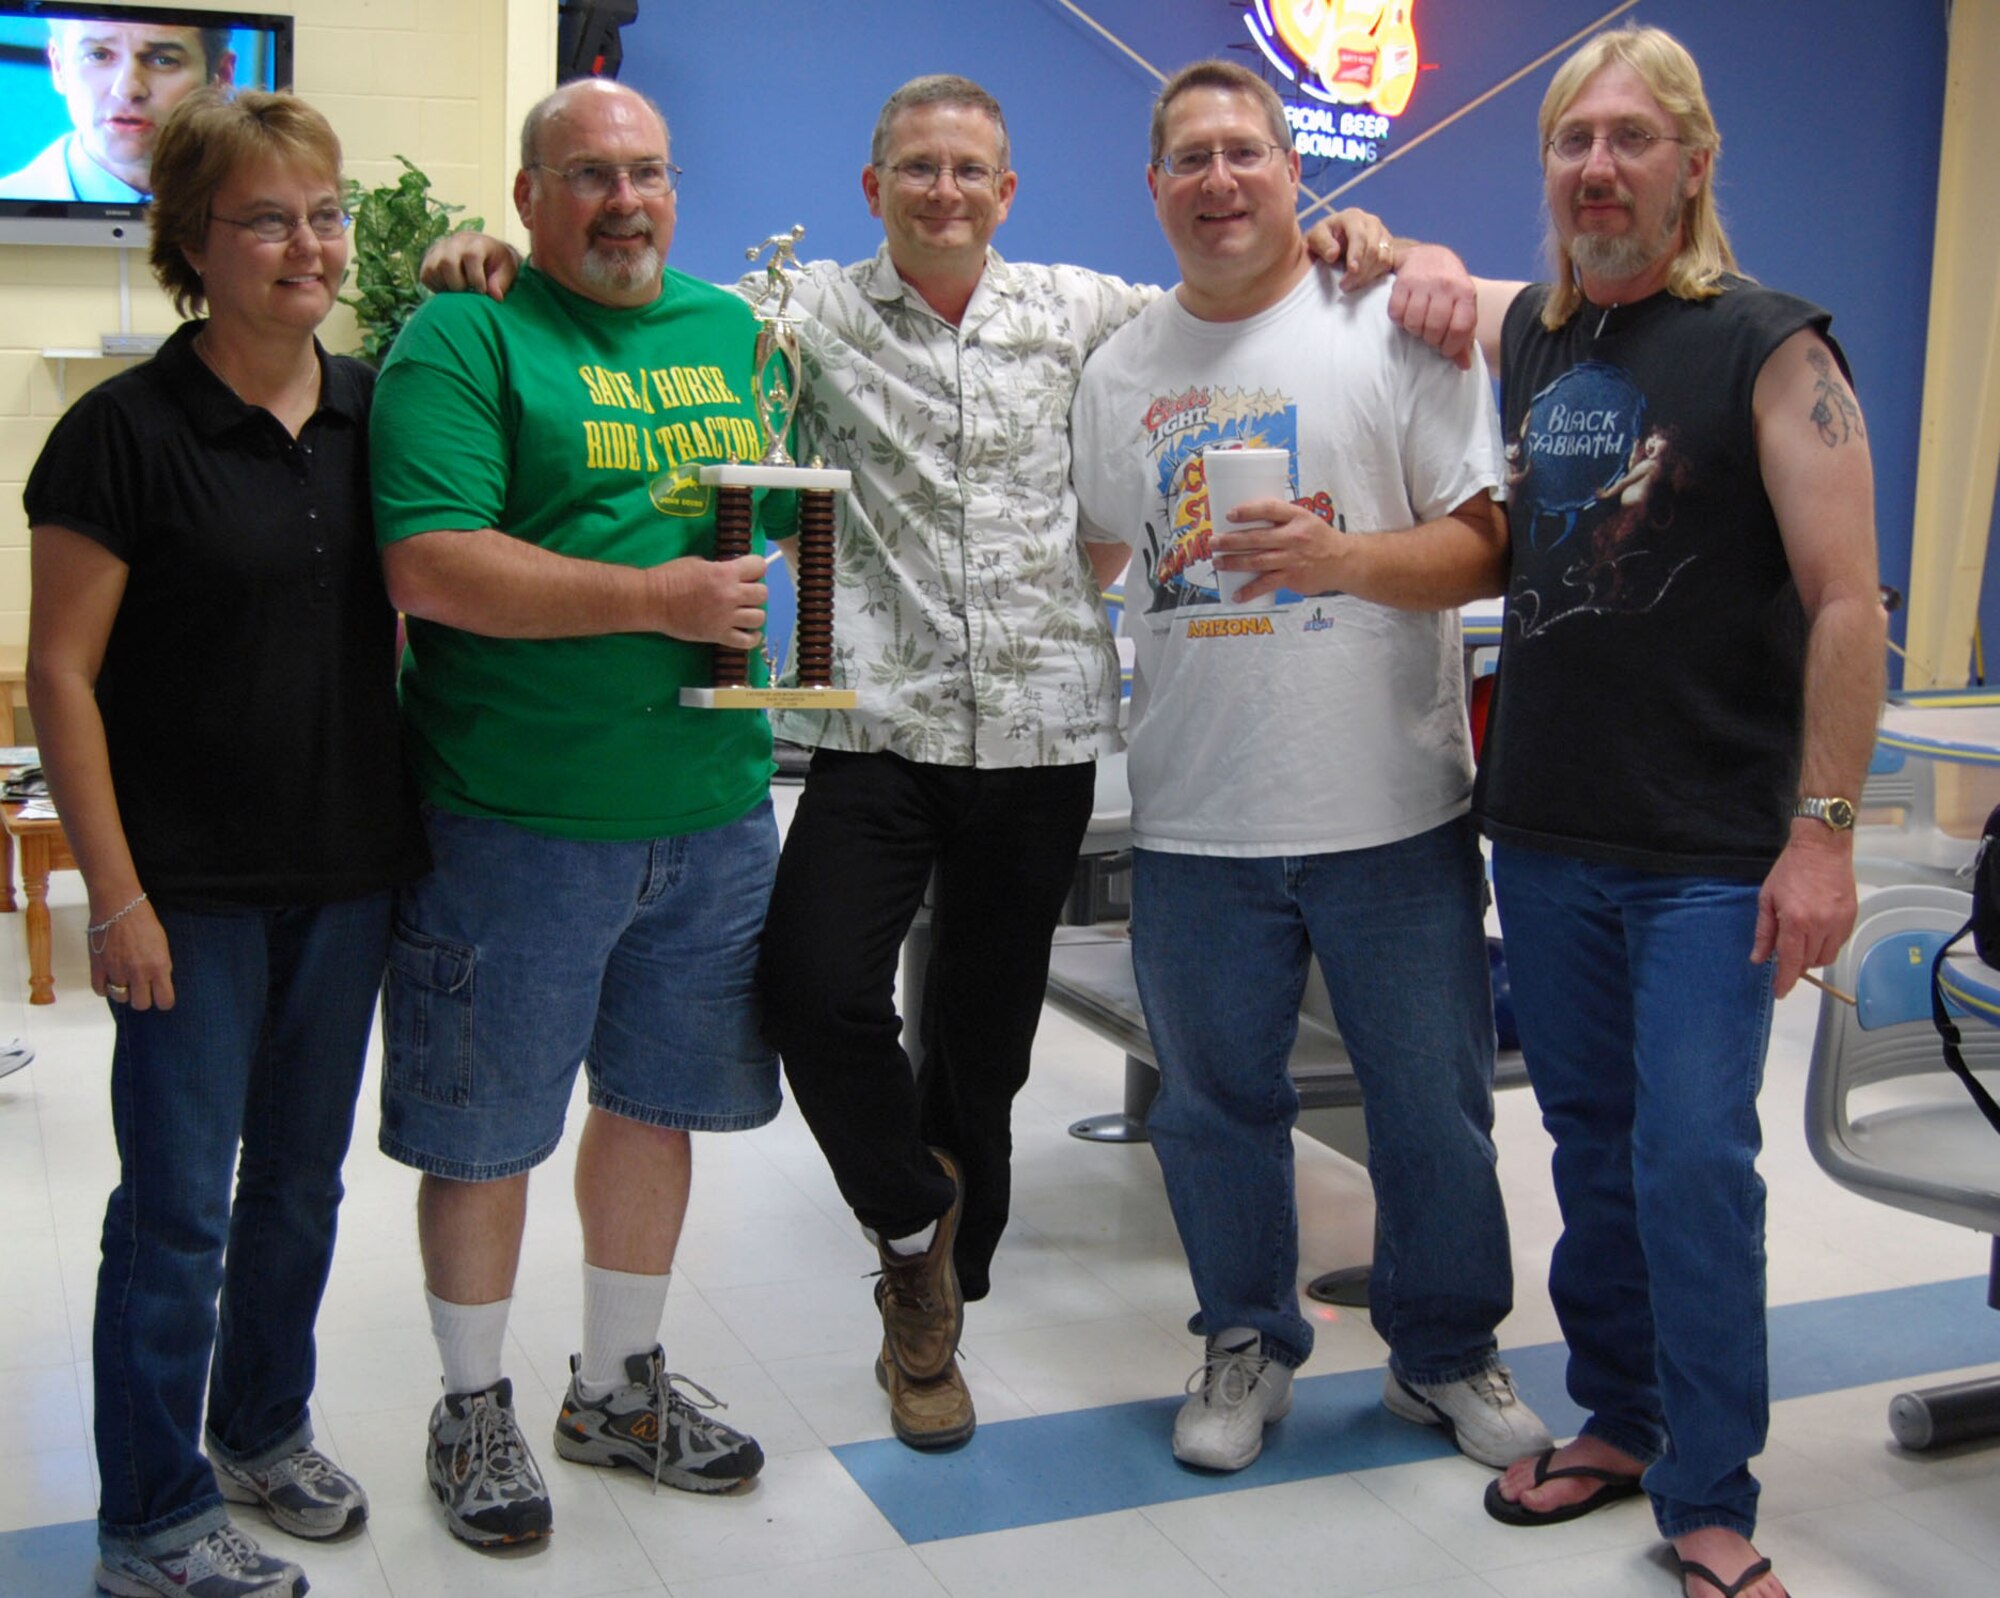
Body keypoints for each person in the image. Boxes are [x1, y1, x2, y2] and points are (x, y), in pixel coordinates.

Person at [419, 72, 1395, 1453]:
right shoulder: (797, 320)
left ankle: (930, 1310)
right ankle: (910, 1218)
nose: (945, 191)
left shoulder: (1090, 314)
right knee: (813, 987)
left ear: (1008, 191)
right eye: (917, 170)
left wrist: (1374, 246)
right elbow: (625, 287)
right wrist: (489, 260)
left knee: (982, 1052)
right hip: (876, 727)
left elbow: (1235, 299)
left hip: (1042, 734)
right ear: (873, 191)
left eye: (970, 171)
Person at [1375, 24, 1883, 1598]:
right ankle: (1621, 1414)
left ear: (1693, 162)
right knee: (1592, 1147)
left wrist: (1824, 830)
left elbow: (1850, 603)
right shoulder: (1534, 334)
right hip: (1548, 826)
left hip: (1712, 848)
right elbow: (1413, 290)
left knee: (1689, 1162)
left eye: (1629, 140)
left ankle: (1712, 1487)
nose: (1598, 167)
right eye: (1571, 142)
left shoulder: (1772, 344)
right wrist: (1392, 240)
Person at [1068, 58, 1552, 1478]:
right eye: (1190, 158)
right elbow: (1106, 548)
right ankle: (1245, 1338)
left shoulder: (1393, 324)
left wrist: (1342, 559)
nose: (1220, 181)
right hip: (1198, 815)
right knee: (1217, 1110)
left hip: (1391, 809)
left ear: (1297, 174)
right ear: (1154, 186)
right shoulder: (1122, 370)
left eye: (1246, 153)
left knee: (1431, 1108)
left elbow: (1486, 542)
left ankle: (1446, 1351)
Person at [25, 88, 427, 1598]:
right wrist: (110, 894)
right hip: (183, 890)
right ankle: (147, 1515)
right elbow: (60, 671)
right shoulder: (118, 435)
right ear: (194, 240)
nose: (308, 243)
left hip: (347, 875)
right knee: (180, 1206)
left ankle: (263, 1425)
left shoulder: (379, 405)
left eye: (323, 212)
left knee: (301, 1186)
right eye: (266, 216)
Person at [369, 77, 777, 1550]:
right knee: (482, 1132)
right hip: (517, 815)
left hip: (715, 807)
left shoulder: (735, 333)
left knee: (655, 1105)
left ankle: (616, 1385)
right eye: (590, 175)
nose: (626, 200)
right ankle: (470, 1401)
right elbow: (432, 564)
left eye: (649, 171)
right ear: (530, 199)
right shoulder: (465, 333)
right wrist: (660, 597)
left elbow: (777, 510)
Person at [0, 20, 235, 201]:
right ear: (58, 66)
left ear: (222, 77)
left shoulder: (256, 208)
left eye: (164, 60)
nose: (127, 90)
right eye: (99, 55)